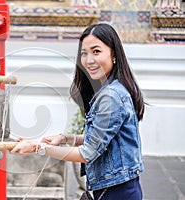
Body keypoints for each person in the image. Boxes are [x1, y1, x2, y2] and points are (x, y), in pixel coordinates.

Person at [10, 23, 145, 200]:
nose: (89, 60)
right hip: (116, 188)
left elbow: (86, 153)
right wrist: (66, 138)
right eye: (84, 53)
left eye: (96, 51)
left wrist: (37, 147)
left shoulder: (111, 96)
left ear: (114, 54)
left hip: (118, 192)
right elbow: (101, 139)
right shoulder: (110, 90)